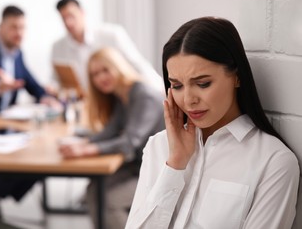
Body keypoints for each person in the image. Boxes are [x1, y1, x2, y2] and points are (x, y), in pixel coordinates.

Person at [125, 17, 300, 229]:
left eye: (202, 83)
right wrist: (175, 164)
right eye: (177, 86)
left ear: (237, 77)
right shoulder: (158, 146)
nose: (188, 100)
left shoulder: (274, 162)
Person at [0, 5, 60, 220]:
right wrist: (0, 86)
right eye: (13, 27)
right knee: (32, 156)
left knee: (46, 155)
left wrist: (47, 97)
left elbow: (30, 83)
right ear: (0, 27)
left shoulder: (17, 54)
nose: (19, 33)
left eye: (22, 27)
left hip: (5, 126)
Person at [59, 47, 165, 229]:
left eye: (105, 70)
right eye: (94, 74)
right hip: (139, 166)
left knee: (109, 200)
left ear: (118, 66)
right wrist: (83, 143)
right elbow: (110, 131)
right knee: (93, 191)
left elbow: (130, 141)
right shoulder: (123, 95)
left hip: (159, 174)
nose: (100, 78)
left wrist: (87, 149)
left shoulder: (143, 95)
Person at [51, 0, 163, 93]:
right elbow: (55, 80)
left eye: (71, 16)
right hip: (85, 104)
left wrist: (162, 90)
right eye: (63, 18)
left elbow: (137, 63)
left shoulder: (111, 35)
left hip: (115, 99)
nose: (68, 22)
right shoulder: (58, 47)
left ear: (82, 12)